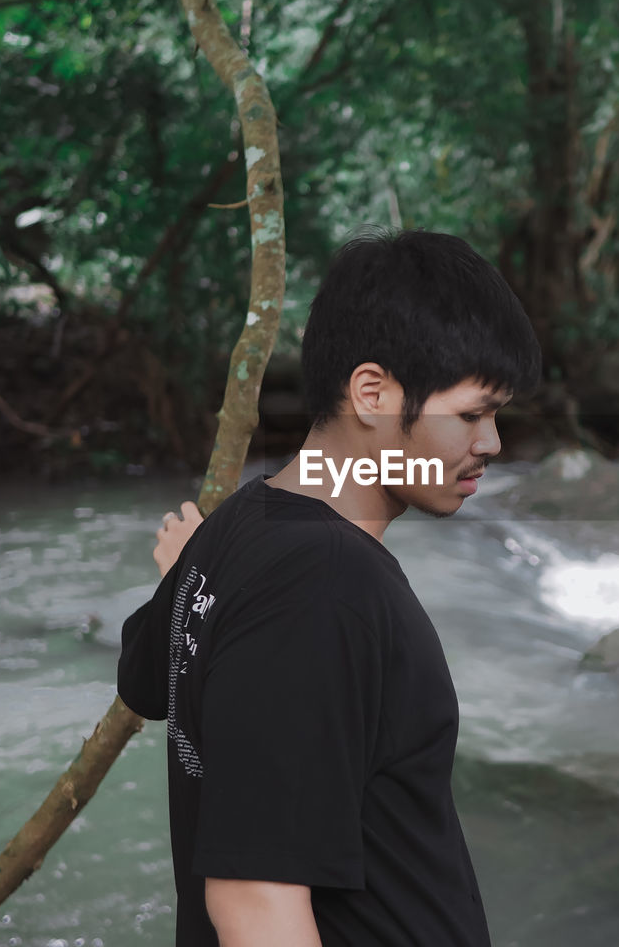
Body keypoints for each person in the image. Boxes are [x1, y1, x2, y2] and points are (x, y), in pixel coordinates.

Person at [117, 227, 541, 947]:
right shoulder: (323, 584)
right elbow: (254, 902)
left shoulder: (240, 527)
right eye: (472, 414)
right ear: (372, 393)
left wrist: (189, 574)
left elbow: (145, 680)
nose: (492, 443)